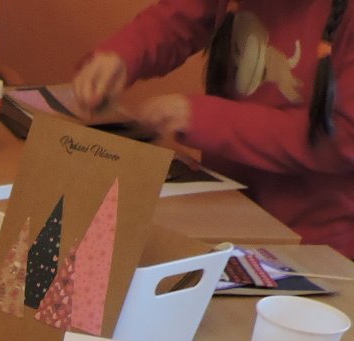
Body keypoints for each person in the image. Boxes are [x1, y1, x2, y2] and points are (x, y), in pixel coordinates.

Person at [72, 0, 354, 257]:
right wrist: (122, 55)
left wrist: (203, 118)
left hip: (311, 242)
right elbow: (181, 18)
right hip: (227, 208)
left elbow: (344, 137)